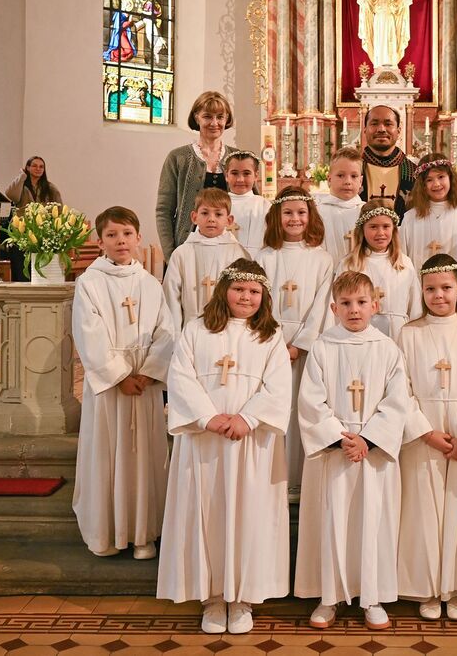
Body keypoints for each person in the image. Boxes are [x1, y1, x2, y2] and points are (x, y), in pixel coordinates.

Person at [157, 258, 292, 635]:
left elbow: (279, 384)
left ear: (264, 297)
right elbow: (180, 376)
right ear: (223, 291)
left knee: (250, 515)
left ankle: (243, 597)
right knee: (208, 512)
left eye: (254, 291)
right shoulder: (196, 329)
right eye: (239, 289)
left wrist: (247, 418)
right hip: (206, 441)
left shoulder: (270, 335)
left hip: (251, 443)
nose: (246, 297)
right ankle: (212, 597)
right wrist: (206, 417)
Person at [294, 271, 412, 631]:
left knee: (373, 522)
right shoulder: (322, 347)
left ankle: (372, 597)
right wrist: (338, 436)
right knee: (331, 520)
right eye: (345, 303)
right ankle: (328, 596)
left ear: (375, 305)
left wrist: (368, 439)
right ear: (334, 308)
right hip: (335, 452)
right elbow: (310, 400)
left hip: (372, 454)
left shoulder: (387, 348)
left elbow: (398, 401)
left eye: (361, 302)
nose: (354, 309)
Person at [71, 206, 174, 561]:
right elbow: (88, 333)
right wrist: (119, 376)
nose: (121, 241)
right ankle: (107, 532)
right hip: (111, 388)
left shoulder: (150, 284)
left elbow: (166, 331)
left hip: (144, 384)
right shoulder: (89, 283)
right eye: (112, 235)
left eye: (127, 234)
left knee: (144, 457)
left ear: (139, 238)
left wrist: (148, 372)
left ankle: (144, 532)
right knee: (107, 454)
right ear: (100, 242)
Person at [397, 254, 457, 621]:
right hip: (425, 431)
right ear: (421, 291)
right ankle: (427, 587)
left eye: (446, 288)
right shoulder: (409, 333)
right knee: (423, 510)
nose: (439, 296)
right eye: (431, 289)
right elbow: (400, 389)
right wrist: (425, 431)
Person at [254, 186, 334, 497]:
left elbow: (322, 304)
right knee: (274, 407)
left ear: (311, 216)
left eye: (301, 212)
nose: (295, 218)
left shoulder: (322, 259)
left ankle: (299, 479)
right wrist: (276, 344)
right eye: (287, 212)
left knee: (301, 409)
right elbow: (258, 302)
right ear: (276, 216)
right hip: (270, 345)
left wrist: (300, 345)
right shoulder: (264, 257)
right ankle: (270, 479)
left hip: (305, 348)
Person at [156, 91, 240, 257]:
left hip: (229, 251)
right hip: (186, 251)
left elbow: (253, 201)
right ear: (197, 118)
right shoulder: (178, 157)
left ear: (227, 119)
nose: (214, 123)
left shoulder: (237, 158)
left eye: (220, 117)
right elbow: (163, 211)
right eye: (207, 116)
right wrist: (170, 254)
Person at [162, 188, 248, 333]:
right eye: (205, 213)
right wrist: (175, 336)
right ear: (194, 217)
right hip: (190, 329)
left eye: (218, 214)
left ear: (229, 220)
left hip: (228, 327)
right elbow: (171, 298)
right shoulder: (182, 253)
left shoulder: (238, 254)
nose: (211, 219)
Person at [335, 200, 421, 342]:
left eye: (386, 226)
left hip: (398, 334)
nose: (380, 233)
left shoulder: (404, 263)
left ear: (394, 229)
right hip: (358, 335)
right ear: (362, 229)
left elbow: (416, 306)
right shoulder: (349, 264)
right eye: (373, 227)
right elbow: (339, 304)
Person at [400, 153, 457, 279]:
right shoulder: (410, 218)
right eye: (429, 180)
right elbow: (402, 260)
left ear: (451, 178)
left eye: (441, 177)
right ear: (422, 185)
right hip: (418, 286)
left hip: (453, 289)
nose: (436, 184)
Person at [4, 156, 63, 282]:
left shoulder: (50, 188)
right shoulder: (21, 184)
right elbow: (11, 195)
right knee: (20, 270)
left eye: (41, 167)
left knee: (38, 273)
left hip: (41, 235)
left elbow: (59, 210)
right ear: (28, 167)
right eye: (34, 166)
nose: (38, 169)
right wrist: (22, 176)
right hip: (21, 233)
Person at [360, 105, 417, 217]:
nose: (381, 129)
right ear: (365, 130)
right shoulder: (353, 170)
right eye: (374, 123)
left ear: (398, 131)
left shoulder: (414, 172)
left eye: (388, 124)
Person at [315, 147, 364, 268]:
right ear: (329, 179)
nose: (347, 181)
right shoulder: (318, 212)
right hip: (328, 273)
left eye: (354, 176)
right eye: (341, 175)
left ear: (361, 181)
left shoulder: (366, 211)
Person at [351, 0, 417, 67]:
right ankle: (379, 63)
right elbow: (366, 0)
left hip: (389, 20)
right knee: (379, 40)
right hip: (378, 20)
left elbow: (402, 0)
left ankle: (391, 63)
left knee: (390, 39)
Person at [224, 150, 270, 253]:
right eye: (234, 173)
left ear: (256, 176)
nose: (240, 179)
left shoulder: (265, 206)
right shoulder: (216, 205)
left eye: (246, 173)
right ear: (227, 175)